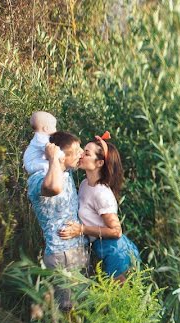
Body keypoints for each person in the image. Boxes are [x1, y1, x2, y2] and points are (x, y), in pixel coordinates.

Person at [59, 132, 140, 279]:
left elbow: (116, 231)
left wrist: (81, 230)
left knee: (118, 300)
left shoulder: (101, 193)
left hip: (117, 253)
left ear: (99, 163)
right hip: (103, 250)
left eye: (87, 153)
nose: (81, 155)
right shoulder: (85, 184)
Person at [26, 130, 88, 308]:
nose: (81, 153)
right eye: (76, 150)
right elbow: (52, 188)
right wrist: (53, 158)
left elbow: (44, 120)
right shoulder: (37, 179)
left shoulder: (67, 175)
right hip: (62, 256)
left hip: (79, 250)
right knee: (68, 312)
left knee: (84, 309)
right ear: (60, 154)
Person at [23, 111, 57, 176]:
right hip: (32, 163)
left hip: (35, 162)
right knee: (50, 165)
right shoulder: (40, 139)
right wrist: (62, 154)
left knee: (50, 164)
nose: (56, 129)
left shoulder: (41, 137)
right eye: (54, 127)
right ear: (46, 129)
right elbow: (50, 149)